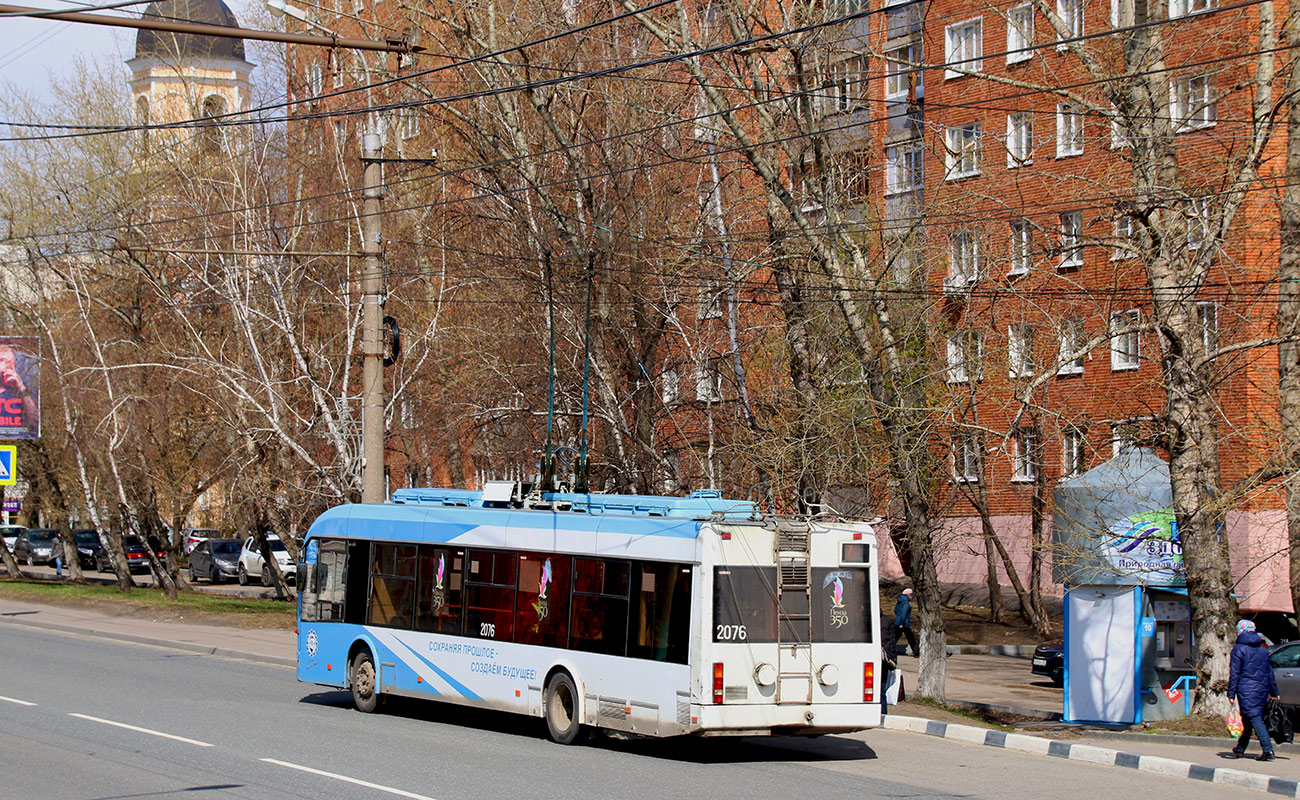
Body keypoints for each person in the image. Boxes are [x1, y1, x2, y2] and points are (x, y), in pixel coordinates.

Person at [1228, 619, 1280, 761]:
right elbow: (1269, 672)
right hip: (1262, 688)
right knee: (1249, 718)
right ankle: (1240, 748)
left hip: (1246, 688)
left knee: (1254, 717)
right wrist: (1274, 692)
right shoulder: (1263, 649)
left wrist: (1231, 693)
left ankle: (1268, 751)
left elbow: (1235, 673)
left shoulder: (1239, 649)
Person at [880, 612, 901, 714]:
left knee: (880, 690)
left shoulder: (880, 621)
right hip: (885, 659)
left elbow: (884, 641)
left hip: (881, 659)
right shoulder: (885, 620)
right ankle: (883, 714)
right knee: (882, 690)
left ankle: (882, 714)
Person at [893, 587, 918, 657]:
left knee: (895, 638)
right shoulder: (906, 603)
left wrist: (898, 618)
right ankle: (916, 652)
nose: (912, 596)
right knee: (911, 638)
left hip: (897, 622)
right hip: (904, 623)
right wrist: (902, 623)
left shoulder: (899, 601)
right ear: (908, 594)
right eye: (911, 594)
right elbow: (904, 614)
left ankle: (889, 650)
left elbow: (895, 611)